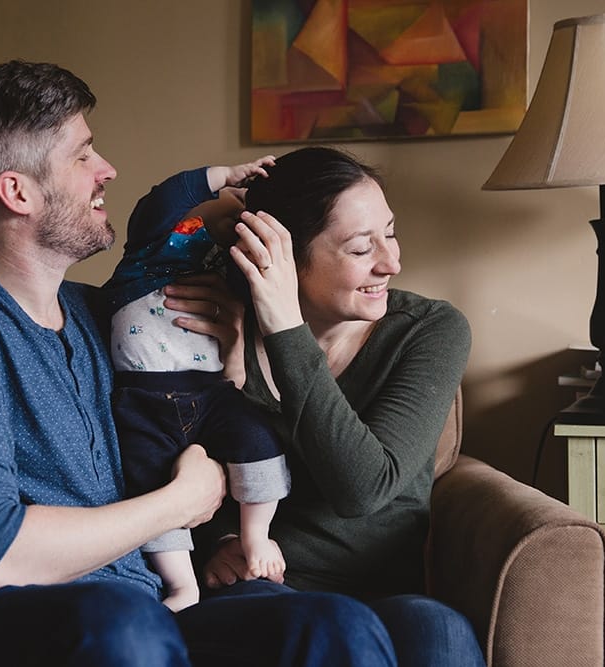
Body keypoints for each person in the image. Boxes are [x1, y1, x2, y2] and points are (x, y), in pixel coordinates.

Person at [0, 61, 399, 666]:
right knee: (121, 625)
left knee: (335, 625)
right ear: (17, 192)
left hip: (151, 607)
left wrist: (225, 362)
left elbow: (192, 412)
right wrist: (180, 503)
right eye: (82, 155)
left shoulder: (107, 316)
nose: (108, 170)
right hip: (39, 623)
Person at [166, 146, 486, 665]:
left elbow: (363, 488)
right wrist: (219, 539)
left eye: (391, 232)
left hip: (386, 591)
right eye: (362, 248)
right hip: (263, 586)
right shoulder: (220, 325)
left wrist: (285, 328)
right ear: (284, 256)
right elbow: (156, 452)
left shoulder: (429, 331)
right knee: (330, 628)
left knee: (440, 632)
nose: (392, 262)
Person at [104, 158, 290, 611]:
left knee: (258, 439)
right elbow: (162, 201)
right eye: (233, 202)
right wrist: (222, 177)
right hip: (144, 396)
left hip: (210, 390)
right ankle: (181, 585)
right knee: (151, 480)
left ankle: (255, 536)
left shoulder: (227, 267)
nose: (238, 213)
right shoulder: (153, 245)